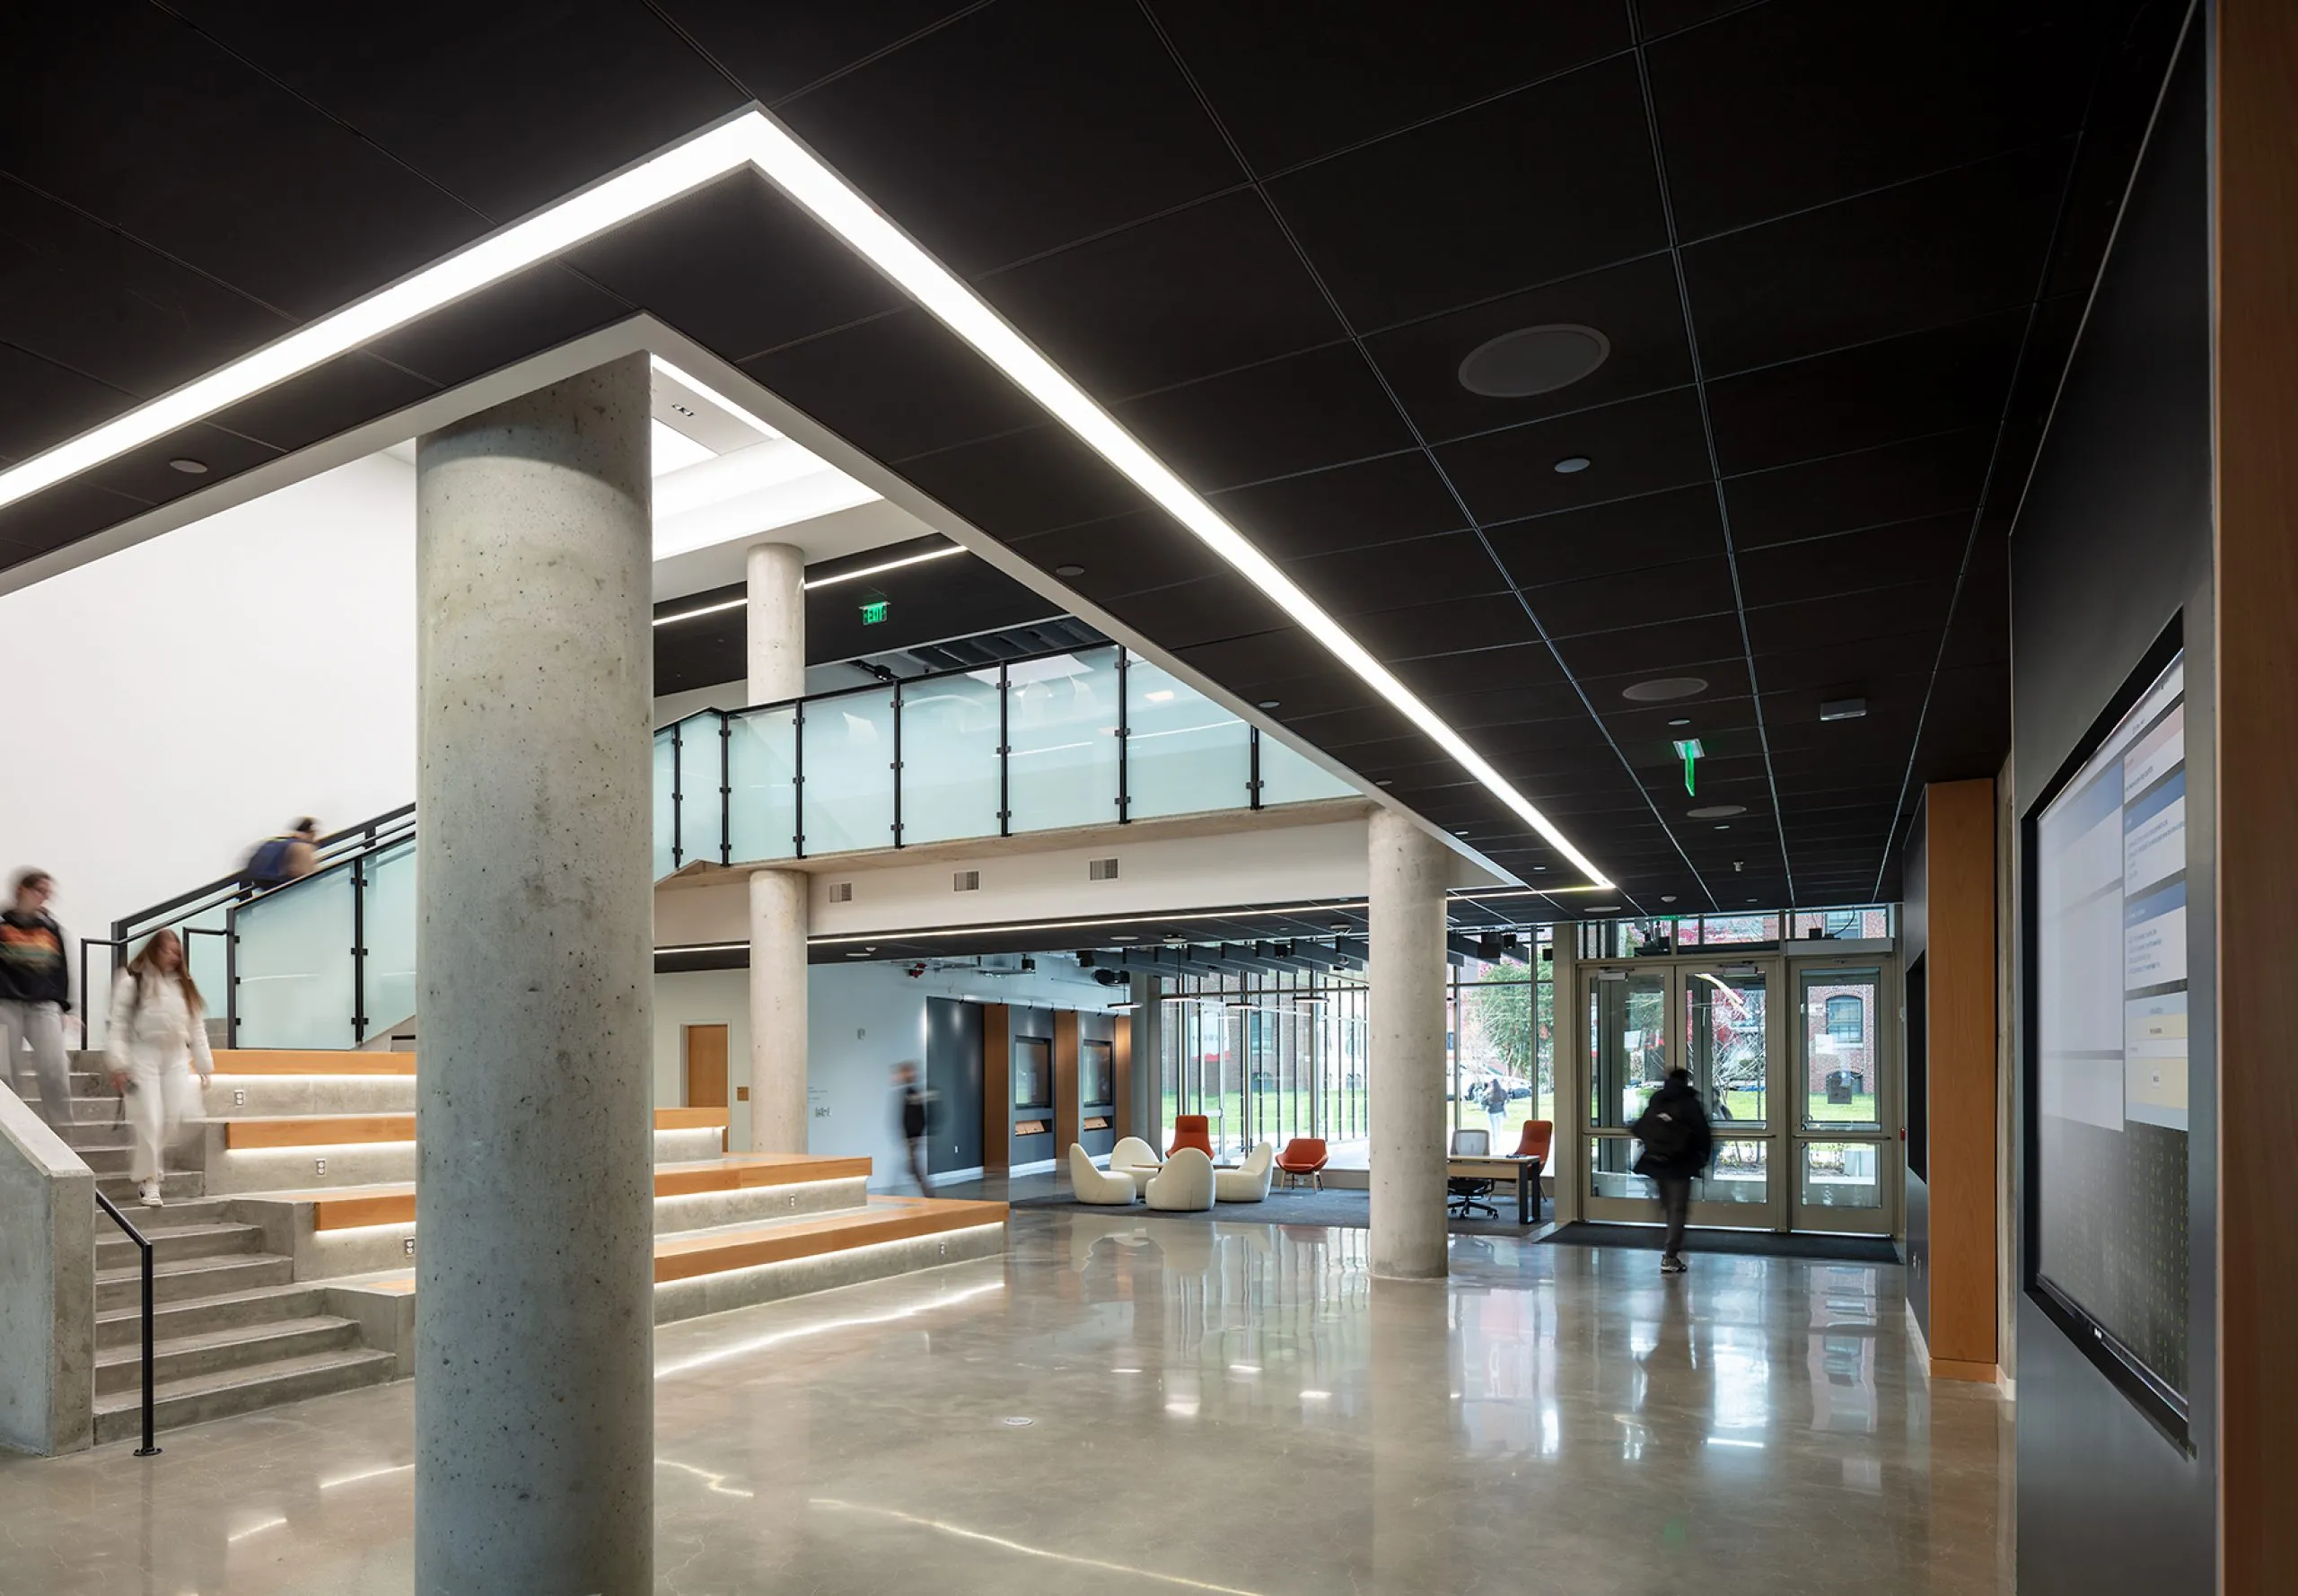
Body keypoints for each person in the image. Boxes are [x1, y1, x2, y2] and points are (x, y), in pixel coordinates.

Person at [107, 929, 214, 1207]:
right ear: (154, 949)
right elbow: (118, 1025)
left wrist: (204, 1065)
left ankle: (150, 1161)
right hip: (144, 1054)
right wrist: (119, 1064)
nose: (172, 955)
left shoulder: (184, 985)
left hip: (177, 1056)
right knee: (150, 1119)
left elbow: (196, 1027)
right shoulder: (132, 982)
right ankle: (150, 1180)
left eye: (176, 951)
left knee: (172, 1117)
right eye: (167, 949)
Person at [0, 869, 75, 1129]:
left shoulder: (51, 928)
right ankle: (12, 1137)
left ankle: (63, 1136)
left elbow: (61, 969)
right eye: (40, 891)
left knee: (55, 1070)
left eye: (48, 894)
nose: (45, 898)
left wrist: (64, 1007)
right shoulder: (2, 925)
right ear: (22, 890)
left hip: (44, 1005)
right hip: (5, 1004)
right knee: (5, 1073)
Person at [1632, 1066, 1714, 1275]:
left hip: (1657, 1162)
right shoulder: (1690, 1103)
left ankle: (1662, 1237)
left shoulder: (1658, 1099)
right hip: (1680, 1165)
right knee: (1678, 1210)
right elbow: (1703, 1134)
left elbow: (1640, 1127)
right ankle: (1670, 1255)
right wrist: (1702, 1159)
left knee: (1667, 1205)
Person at [893, 1063, 933, 1195]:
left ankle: (928, 1193)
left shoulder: (914, 1094)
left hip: (913, 1137)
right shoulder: (907, 1093)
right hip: (910, 1137)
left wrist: (914, 1136)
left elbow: (919, 1117)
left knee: (914, 1167)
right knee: (913, 1167)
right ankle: (927, 1192)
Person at [247, 818, 320, 889]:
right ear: (311, 833)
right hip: (277, 882)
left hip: (261, 882)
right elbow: (309, 875)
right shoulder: (302, 846)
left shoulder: (281, 840)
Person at [1482, 1074, 1510, 1138]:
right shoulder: (1502, 1091)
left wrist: (1485, 1093)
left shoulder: (1489, 1092)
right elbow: (1507, 1100)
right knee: (1499, 1127)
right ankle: (1498, 1140)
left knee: (1493, 1128)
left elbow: (1483, 1102)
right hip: (1500, 1112)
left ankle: (1495, 1143)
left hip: (1492, 1112)